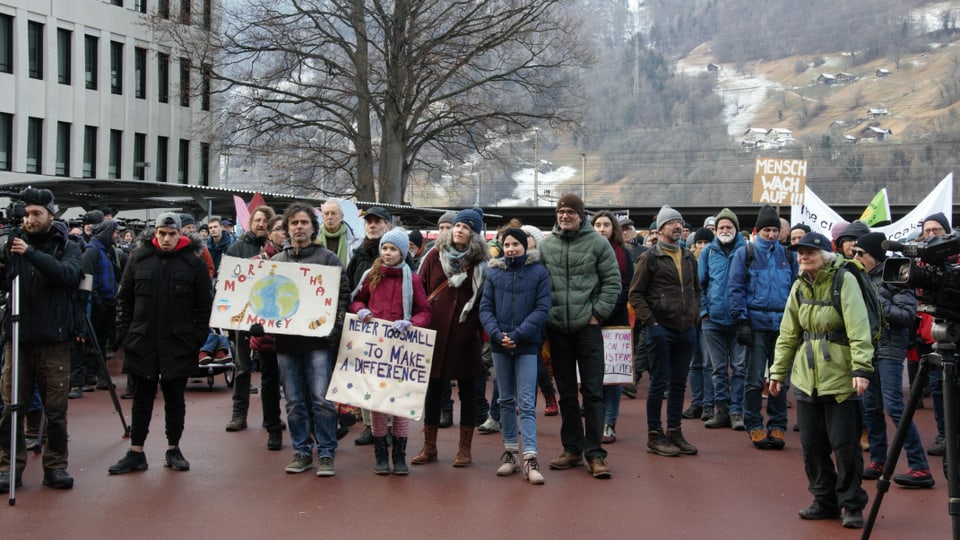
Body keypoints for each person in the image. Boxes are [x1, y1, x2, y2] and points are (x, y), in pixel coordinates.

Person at [769, 232, 873, 530]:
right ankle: (824, 500)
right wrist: (778, 372)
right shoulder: (799, 286)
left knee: (844, 445)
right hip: (806, 378)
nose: (802, 256)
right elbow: (788, 333)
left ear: (825, 255)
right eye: (799, 252)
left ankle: (852, 504)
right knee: (812, 445)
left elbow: (858, 327)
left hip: (841, 378)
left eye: (809, 251)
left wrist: (861, 370)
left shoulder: (844, 281)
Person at [108, 213, 213, 475]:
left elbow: (204, 305)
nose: (166, 239)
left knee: (175, 398)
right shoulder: (138, 259)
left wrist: (197, 337)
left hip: (179, 342)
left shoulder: (194, 264)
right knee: (141, 398)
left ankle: (173, 448)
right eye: (162, 233)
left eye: (171, 234)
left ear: (180, 235)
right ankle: (136, 452)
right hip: (142, 340)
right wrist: (124, 334)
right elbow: (124, 299)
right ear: (155, 233)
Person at [0, 188, 82, 492]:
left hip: (54, 339)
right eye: (27, 213)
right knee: (11, 406)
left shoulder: (66, 245)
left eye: (37, 214)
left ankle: (56, 466)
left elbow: (68, 275)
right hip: (18, 338)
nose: (30, 219)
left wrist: (30, 253)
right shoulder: (11, 244)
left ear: (51, 214)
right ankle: (8, 467)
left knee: (56, 410)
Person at [540, 194, 620, 479]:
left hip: (588, 328)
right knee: (566, 394)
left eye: (570, 211)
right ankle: (572, 449)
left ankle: (595, 454)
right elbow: (538, 281)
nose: (565, 216)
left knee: (594, 392)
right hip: (557, 328)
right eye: (561, 211)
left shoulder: (598, 244)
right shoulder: (545, 245)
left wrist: (597, 313)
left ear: (581, 214)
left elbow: (613, 281)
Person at [271, 203, 351, 476]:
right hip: (286, 342)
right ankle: (302, 451)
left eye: (304, 222)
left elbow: (343, 293)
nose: (299, 227)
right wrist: (259, 324)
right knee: (293, 400)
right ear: (286, 228)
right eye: (293, 223)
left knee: (321, 400)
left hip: (318, 342)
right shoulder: (276, 263)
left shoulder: (328, 259)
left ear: (313, 228)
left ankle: (327, 453)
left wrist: (334, 325)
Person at [853, 232, 933, 488]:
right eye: (853, 252)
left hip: (889, 347)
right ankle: (878, 460)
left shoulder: (896, 277)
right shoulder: (858, 278)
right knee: (870, 406)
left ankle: (919, 466)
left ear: (874, 256)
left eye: (860, 253)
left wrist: (876, 303)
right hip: (867, 348)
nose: (854, 257)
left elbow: (907, 315)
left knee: (895, 407)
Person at [349, 229, 432, 475]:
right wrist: (361, 310)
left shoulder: (413, 280)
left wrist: (412, 323)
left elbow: (424, 311)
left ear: (402, 253)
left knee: (399, 405)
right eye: (384, 248)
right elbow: (356, 300)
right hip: (374, 348)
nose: (387, 253)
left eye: (393, 249)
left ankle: (399, 456)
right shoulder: (371, 275)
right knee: (376, 404)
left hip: (400, 350)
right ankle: (381, 456)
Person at [413, 208, 488, 468]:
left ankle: (464, 449)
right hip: (434, 333)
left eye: (466, 227)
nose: (459, 230)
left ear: (474, 234)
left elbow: (484, 299)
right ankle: (429, 446)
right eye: (457, 226)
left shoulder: (480, 262)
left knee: (468, 391)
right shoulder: (434, 255)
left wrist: (473, 327)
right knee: (433, 391)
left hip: (465, 333)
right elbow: (418, 289)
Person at [628, 205, 701, 458]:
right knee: (659, 383)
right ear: (659, 230)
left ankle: (674, 431)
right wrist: (652, 324)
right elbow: (635, 295)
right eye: (672, 223)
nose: (678, 226)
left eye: (680, 222)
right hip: (660, 330)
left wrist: (694, 318)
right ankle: (654, 434)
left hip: (686, 329)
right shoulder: (649, 258)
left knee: (679, 384)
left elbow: (696, 291)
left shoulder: (690, 257)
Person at [480, 227, 550, 484]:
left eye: (515, 244)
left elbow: (542, 308)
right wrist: (497, 335)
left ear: (524, 246)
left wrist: (518, 335)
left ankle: (531, 457)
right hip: (500, 345)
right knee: (506, 400)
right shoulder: (494, 272)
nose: (511, 249)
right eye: (506, 244)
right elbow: (485, 307)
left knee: (527, 401)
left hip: (526, 344)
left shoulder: (538, 272)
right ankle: (511, 453)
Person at [728, 205, 798, 450]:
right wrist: (742, 321)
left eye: (775, 230)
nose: (771, 234)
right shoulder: (744, 254)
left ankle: (777, 425)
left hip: (782, 325)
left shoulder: (789, 257)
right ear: (758, 230)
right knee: (755, 378)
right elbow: (735, 288)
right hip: (756, 324)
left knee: (780, 379)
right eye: (767, 229)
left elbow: (796, 291)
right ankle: (754, 423)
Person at [345, 206, 412, 446]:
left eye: (377, 222)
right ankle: (370, 427)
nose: (371, 225)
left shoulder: (405, 262)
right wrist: (357, 309)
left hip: (396, 330)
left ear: (387, 226)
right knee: (368, 380)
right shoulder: (359, 255)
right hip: (368, 329)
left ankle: (394, 427)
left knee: (393, 380)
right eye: (368, 222)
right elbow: (352, 289)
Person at [223, 206, 276, 434]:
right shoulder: (237, 247)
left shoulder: (276, 250)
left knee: (270, 369)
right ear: (250, 222)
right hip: (243, 315)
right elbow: (227, 279)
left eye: (266, 220)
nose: (261, 224)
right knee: (243, 367)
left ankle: (270, 416)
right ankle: (239, 413)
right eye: (258, 219)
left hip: (269, 317)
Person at [700, 208, 748, 431]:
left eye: (729, 227)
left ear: (736, 229)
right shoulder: (708, 252)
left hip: (740, 320)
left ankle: (737, 412)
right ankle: (722, 411)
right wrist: (704, 312)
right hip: (713, 321)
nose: (725, 230)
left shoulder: (748, 250)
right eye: (721, 227)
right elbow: (699, 284)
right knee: (718, 369)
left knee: (739, 368)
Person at [591, 211, 633, 444]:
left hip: (614, 320)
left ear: (613, 228)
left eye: (606, 224)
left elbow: (626, 287)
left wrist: (603, 309)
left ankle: (609, 421)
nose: (601, 228)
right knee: (592, 373)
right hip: (588, 319)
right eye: (597, 224)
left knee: (613, 375)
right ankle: (595, 418)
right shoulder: (585, 251)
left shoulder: (623, 254)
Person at [681, 227, 715, 422]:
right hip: (691, 319)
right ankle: (697, 402)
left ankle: (708, 405)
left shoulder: (715, 260)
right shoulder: (687, 262)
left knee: (708, 364)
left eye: (705, 242)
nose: (702, 247)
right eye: (698, 243)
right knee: (694, 364)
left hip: (708, 318)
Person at [318, 200, 360, 265]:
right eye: (326, 214)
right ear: (323, 217)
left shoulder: (356, 241)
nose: (329, 217)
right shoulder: (313, 238)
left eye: (333, 213)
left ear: (341, 217)